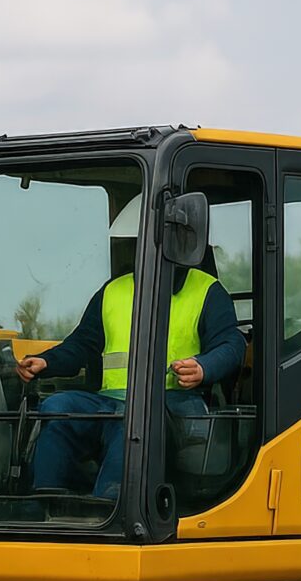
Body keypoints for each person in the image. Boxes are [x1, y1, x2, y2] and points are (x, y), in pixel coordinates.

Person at [15, 196, 246, 499]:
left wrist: (203, 368)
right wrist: (46, 362)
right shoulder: (113, 291)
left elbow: (232, 345)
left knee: (134, 418)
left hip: (174, 404)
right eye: (132, 243)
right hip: (109, 402)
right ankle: (46, 501)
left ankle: (108, 507)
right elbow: (82, 343)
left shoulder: (207, 291)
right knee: (56, 408)